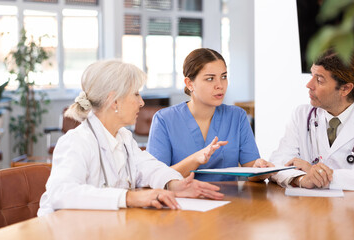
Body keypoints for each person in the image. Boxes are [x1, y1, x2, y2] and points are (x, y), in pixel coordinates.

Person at [38, 60, 224, 216]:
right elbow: (61, 193)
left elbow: (149, 167)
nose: (141, 102)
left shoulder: (123, 137)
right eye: (136, 94)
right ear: (114, 101)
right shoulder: (77, 141)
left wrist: (174, 184)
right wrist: (129, 198)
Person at [269, 48, 354, 191]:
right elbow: (277, 164)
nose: (309, 85)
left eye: (319, 79)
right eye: (312, 75)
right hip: (309, 209)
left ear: (345, 88)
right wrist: (302, 179)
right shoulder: (301, 115)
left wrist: (318, 174)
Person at [147, 48, 274, 182]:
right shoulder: (164, 119)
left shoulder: (237, 116)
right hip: (182, 200)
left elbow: (251, 169)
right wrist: (195, 159)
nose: (220, 85)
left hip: (230, 200)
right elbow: (155, 177)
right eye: (210, 79)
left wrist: (260, 168)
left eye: (223, 77)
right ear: (190, 83)